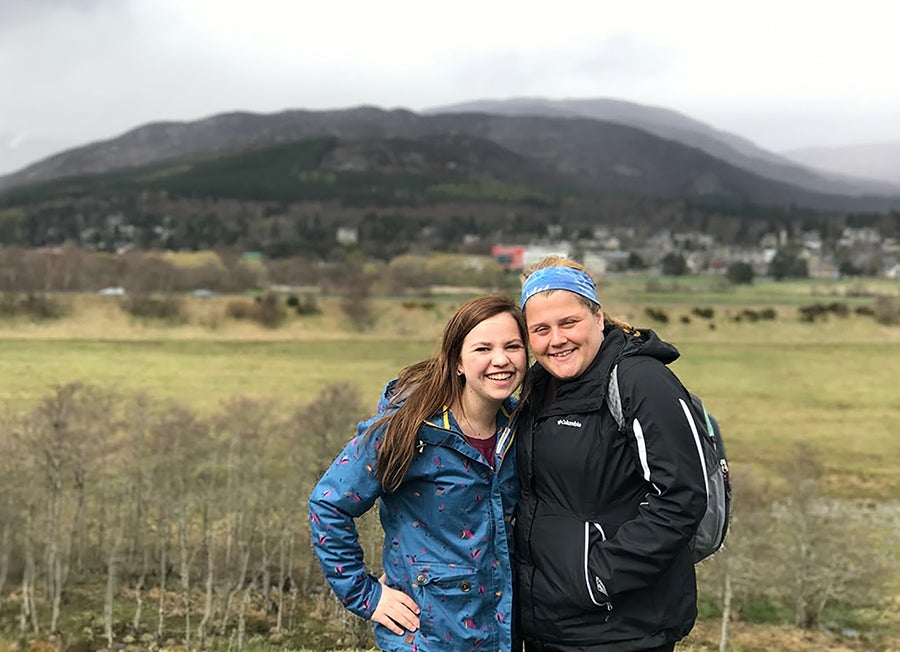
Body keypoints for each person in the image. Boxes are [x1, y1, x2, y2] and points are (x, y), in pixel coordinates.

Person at [309, 294, 528, 651]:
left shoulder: (520, 426)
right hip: (425, 639)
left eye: (513, 346)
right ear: (457, 361)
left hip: (501, 637)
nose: (500, 360)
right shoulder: (410, 428)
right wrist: (365, 595)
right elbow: (328, 504)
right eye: (483, 349)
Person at [513, 257, 708, 652]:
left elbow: (683, 495)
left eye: (569, 323)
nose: (556, 339)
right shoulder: (537, 387)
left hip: (620, 630)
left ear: (598, 317)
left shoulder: (641, 381)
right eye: (541, 329)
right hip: (547, 624)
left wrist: (599, 578)